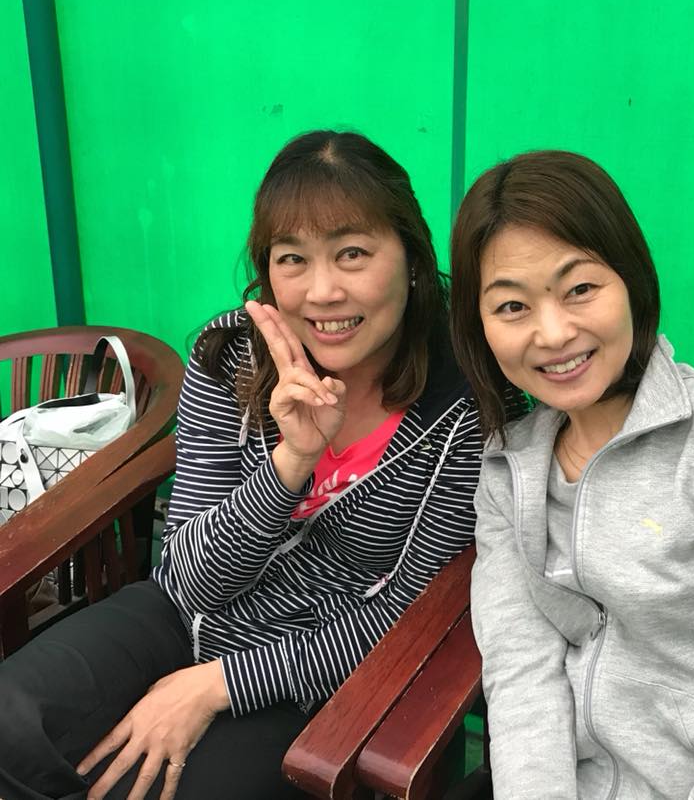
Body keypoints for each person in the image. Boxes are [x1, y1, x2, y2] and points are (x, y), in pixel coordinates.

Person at [0, 130, 482, 800]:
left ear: (412, 259)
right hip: (186, 616)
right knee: (10, 726)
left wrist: (219, 685)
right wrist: (292, 461)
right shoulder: (232, 354)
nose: (323, 292)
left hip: (321, 667)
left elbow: (409, 612)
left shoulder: (466, 403)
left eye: (353, 253)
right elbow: (189, 580)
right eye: (293, 259)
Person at [448, 149, 694, 799]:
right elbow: (521, 673)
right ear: (481, 326)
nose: (552, 333)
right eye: (512, 306)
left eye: (580, 289)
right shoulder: (509, 467)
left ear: (631, 280)